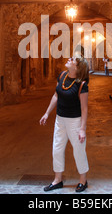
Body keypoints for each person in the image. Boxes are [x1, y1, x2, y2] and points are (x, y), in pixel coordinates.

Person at [39, 56, 90, 193]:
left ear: (77, 67)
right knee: (57, 149)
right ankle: (57, 180)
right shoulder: (62, 76)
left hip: (75, 121)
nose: (69, 58)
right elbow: (56, 95)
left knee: (78, 151)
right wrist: (47, 113)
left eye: (73, 59)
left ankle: (83, 181)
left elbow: (84, 108)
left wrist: (82, 129)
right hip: (60, 119)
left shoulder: (82, 85)